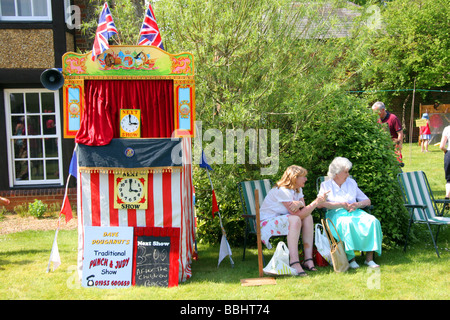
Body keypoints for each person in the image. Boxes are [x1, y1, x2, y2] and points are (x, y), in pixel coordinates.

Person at [260, 165, 328, 276]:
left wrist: (300, 203)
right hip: (266, 222)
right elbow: (299, 213)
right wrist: (317, 202)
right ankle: (294, 262)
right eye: (303, 177)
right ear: (295, 178)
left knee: (308, 217)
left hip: (285, 219)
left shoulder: (298, 189)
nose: (306, 179)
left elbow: (305, 211)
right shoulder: (282, 190)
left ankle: (308, 259)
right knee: (296, 219)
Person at [317, 157, 383, 268]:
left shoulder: (351, 183)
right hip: (335, 214)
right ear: (337, 173)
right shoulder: (326, 185)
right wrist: (340, 205)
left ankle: (369, 259)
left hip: (354, 212)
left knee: (372, 221)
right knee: (346, 223)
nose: (348, 174)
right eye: (346, 172)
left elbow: (367, 201)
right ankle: (351, 259)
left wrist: (357, 204)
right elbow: (319, 204)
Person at [439, 125, 450, 200]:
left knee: (449, 179)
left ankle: (447, 196)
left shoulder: (447, 128)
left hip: (449, 154)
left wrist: (446, 151)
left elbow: (441, 146)